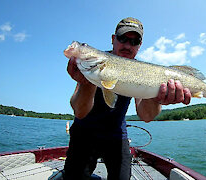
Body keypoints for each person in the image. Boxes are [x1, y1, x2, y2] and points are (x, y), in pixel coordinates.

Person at [63, 17, 192, 180]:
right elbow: (80, 112)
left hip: (116, 135)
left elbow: (146, 116)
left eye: (135, 41)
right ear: (113, 39)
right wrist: (87, 82)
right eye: (122, 38)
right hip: (84, 132)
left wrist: (157, 98)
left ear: (139, 46)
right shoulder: (92, 63)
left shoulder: (143, 70)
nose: (127, 45)